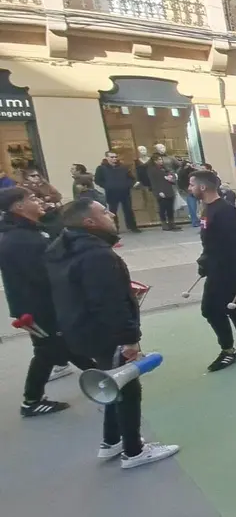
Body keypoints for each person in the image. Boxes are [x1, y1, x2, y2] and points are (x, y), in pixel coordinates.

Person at [45, 198, 180, 469]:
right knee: (127, 387)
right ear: (89, 222)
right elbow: (108, 303)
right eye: (103, 211)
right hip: (105, 333)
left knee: (111, 382)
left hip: (82, 330)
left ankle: (111, 440)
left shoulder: (61, 250)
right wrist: (129, 338)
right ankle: (134, 451)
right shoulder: (97, 255)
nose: (110, 214)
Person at [0, 187, 96, 416]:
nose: (39, 200)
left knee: (62, 343)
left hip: (43, 304)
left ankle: (103, 373)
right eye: (32, 198)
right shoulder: (19, 239)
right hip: (36, 308)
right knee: (48, 349)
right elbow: (43, 275)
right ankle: (31, 401)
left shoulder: (31, 231)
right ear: (18, 207)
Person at [191, 170, 236, 371]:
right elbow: (211, 243)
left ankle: (227, 351)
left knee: (210, 309)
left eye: (192, 184)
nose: (189, 188)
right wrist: (204, 262)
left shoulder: (226, 212)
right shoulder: (207, 210)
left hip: (225, 269)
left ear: (203, 187)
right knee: (234, 305)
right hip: (214, 266)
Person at [94, 151, 140, 233]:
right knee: (113, 211)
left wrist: (127, 185)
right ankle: (115, 228)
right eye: (112, 157)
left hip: (125, 192)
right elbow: (97, 180)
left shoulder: (123, 167)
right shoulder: (101, 168)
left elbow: (131, 178)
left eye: (115, 157)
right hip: (111, 192)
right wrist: (107, 186)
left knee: (128, 210)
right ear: (107, 158)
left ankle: (132, 226)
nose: (114, 159)